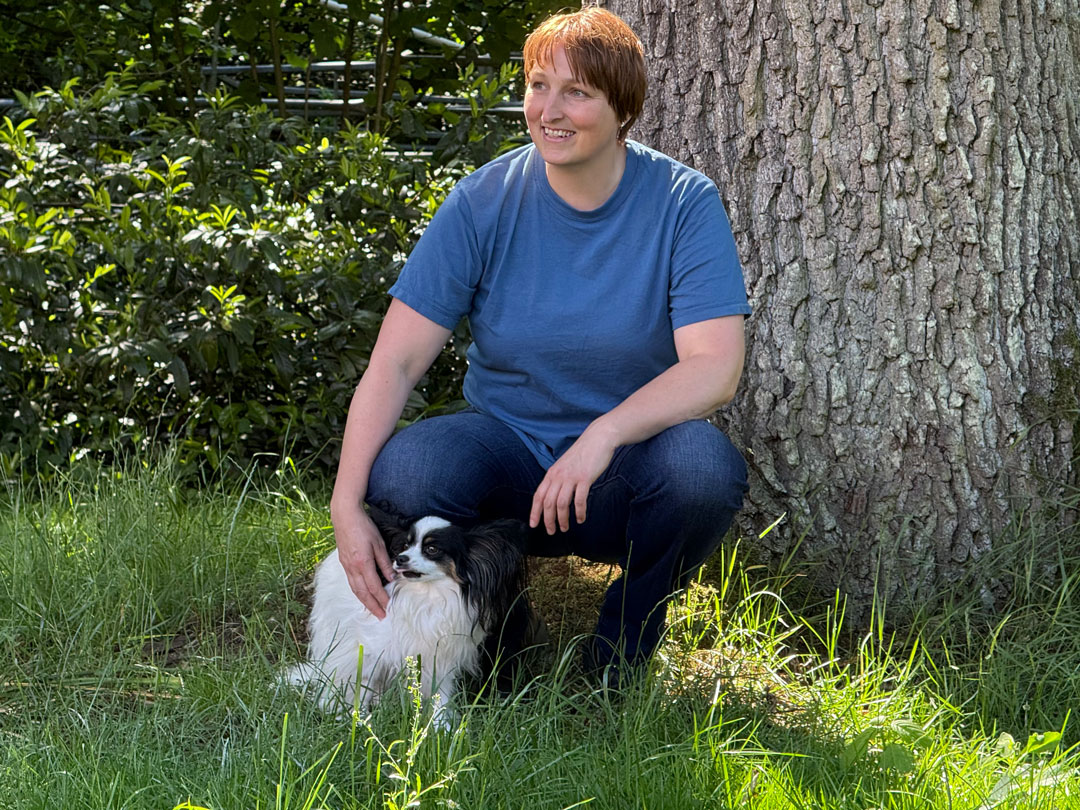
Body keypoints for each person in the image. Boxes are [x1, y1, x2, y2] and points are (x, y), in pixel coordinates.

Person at [328, 7, 751, 675]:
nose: (549, 109)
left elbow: (715, 368)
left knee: (704, 471)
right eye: (536, 85)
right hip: (511, 463)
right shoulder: (482, 201)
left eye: (577, 92)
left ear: (623, 108)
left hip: (623, 474)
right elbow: (396, 362)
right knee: (410, 473)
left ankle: (619, 655)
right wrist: (345, 503)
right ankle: (489, 636)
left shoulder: (682, 202)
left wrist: (604, 434)